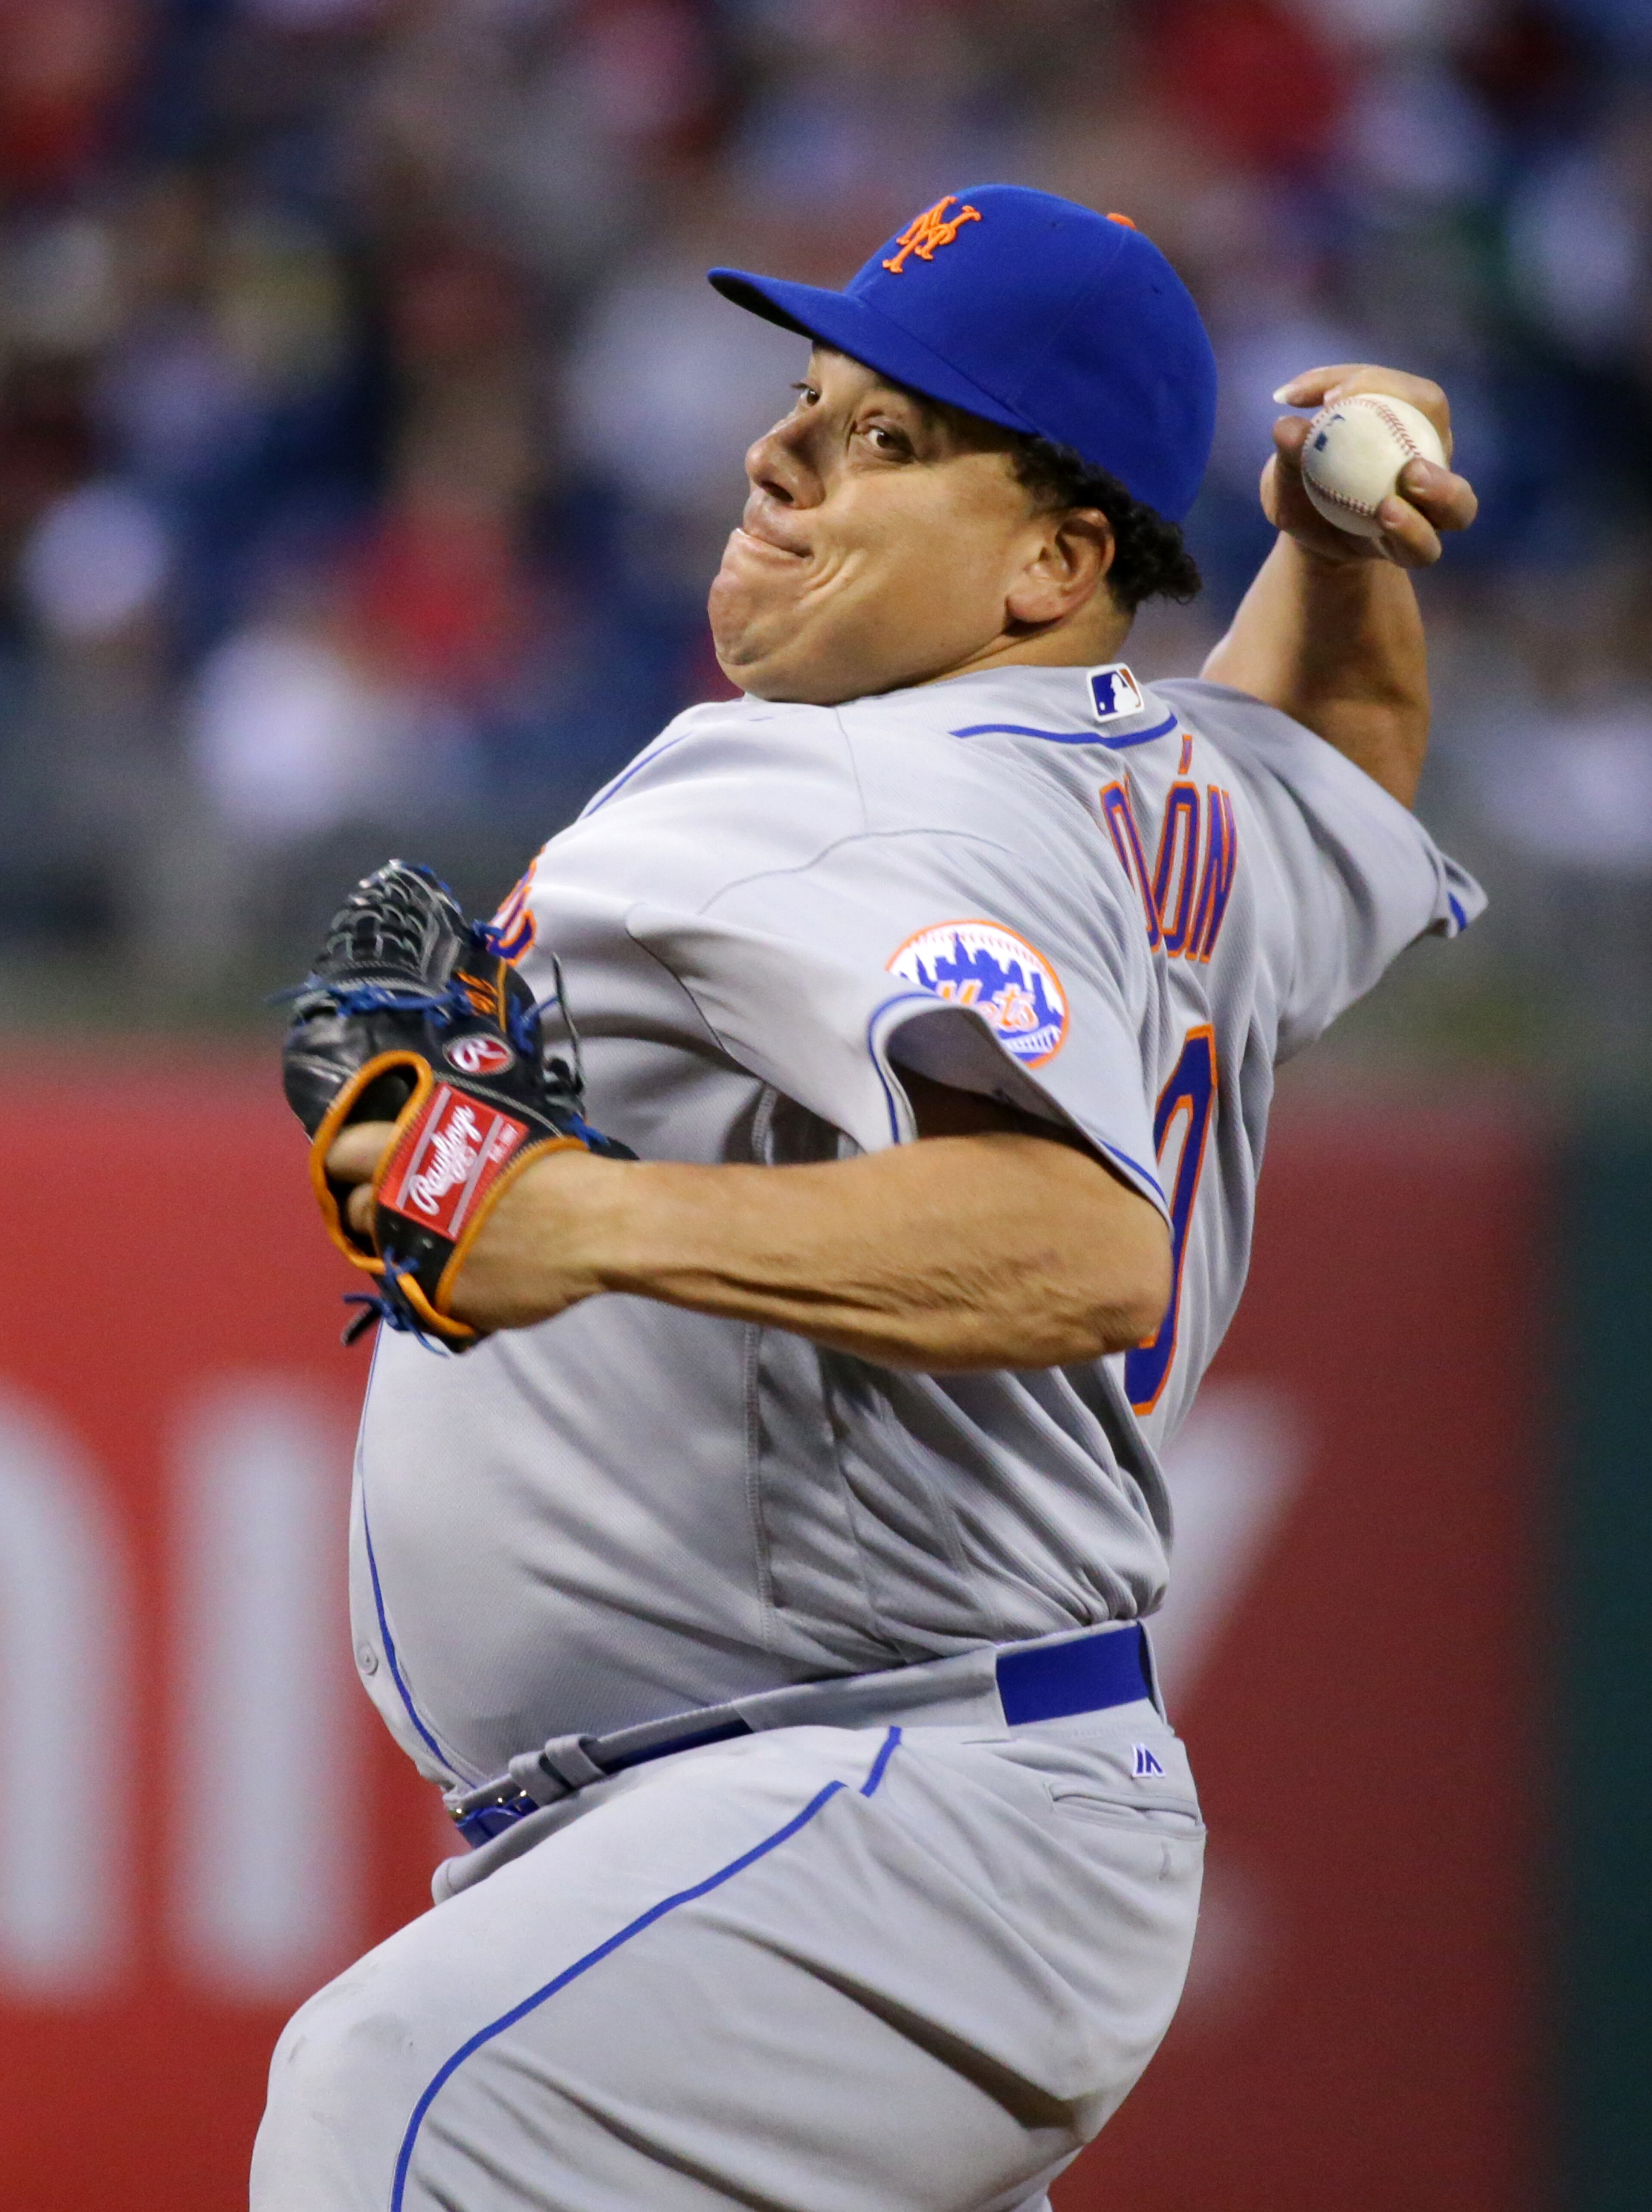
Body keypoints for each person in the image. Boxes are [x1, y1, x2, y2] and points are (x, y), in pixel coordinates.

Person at [252, 185, 1482, 2212]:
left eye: (887, 437)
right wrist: (1340, 552)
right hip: (928, 1815)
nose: (781, 455)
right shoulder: (1161, 794)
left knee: (399, 2101)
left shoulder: (851, 781)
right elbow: (1344, 754)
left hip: (869, 1799)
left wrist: (586, 1218)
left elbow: (1081, 1240)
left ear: (1054, 562)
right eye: (806, 402)